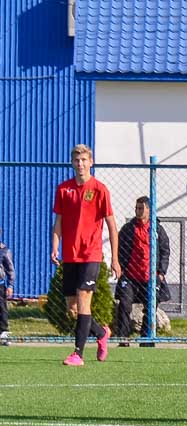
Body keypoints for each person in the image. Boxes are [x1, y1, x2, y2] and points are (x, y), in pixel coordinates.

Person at [51, 144, 120, 366]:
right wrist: (55, 246)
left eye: (84, 160)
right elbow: (58, 222)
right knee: (73, 309)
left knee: (83, 302)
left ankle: (78, 354)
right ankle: (101, 333)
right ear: (72, 163)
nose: (80, 164)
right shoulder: (63, 189)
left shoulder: (100, 189)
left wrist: (115, 259)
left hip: (91, 254)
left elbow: (111, 225)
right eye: (76, 160)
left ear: (91, 162)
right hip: (70, 256)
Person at [114, 196, 170, 347]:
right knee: (124, 305)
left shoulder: (157, 229)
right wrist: (120, 267)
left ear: (149, 210)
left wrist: (161, 272)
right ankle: (123, 339)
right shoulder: (128, 228)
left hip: (150, 277)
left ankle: (146, 339)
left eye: (141, 208)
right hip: (130, 276)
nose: (138, 211)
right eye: (136, 208)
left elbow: (165, 251)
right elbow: (119, 248)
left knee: (151, 306)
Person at [0, 227, 16, 346]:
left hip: (0, 286)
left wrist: (10, 285)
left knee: (2, 309)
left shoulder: (4, 251)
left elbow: (10, 269)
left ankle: (4, 333)